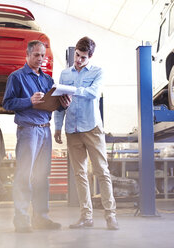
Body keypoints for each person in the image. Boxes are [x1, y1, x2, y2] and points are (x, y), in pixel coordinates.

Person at [3, 40, 71, 233]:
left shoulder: (48, 80)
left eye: (43, 55)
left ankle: (41, 218)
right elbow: (7, 103)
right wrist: (28, 101)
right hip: (28, 130)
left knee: (42, 176)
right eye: (36, 55)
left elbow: (53, 103)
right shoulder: (16, 77)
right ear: (27, 55)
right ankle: (22, 220)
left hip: (45, 130)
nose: (40, 59)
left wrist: (63, 104)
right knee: (24, 175)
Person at [54, 36, 118, 230]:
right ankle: (86, 217)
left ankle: (110, 216)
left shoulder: (98, 72)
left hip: (92, 128)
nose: (79, 60)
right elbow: (59, 103)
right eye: (77, 55)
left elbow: (93, 94)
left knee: (102, 172)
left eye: (83, 57)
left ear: (90, 56)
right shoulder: (65, 74)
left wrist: (72, 91)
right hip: (72, 129)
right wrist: (57, 127)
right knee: (79, 174)